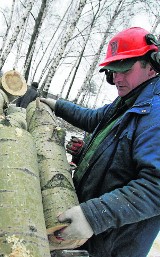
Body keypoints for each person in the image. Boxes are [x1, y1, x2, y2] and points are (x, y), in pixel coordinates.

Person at [40, 27, 160, 257]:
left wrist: (93, 215)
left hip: (113, 245)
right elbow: (93, 118)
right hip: (91, 234)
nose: (117, 79)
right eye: (113, 72)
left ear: (152, 65)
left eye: (125, 70)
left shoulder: (155, 112)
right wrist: (57, 105)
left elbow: (156, 187)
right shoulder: (128, 101)